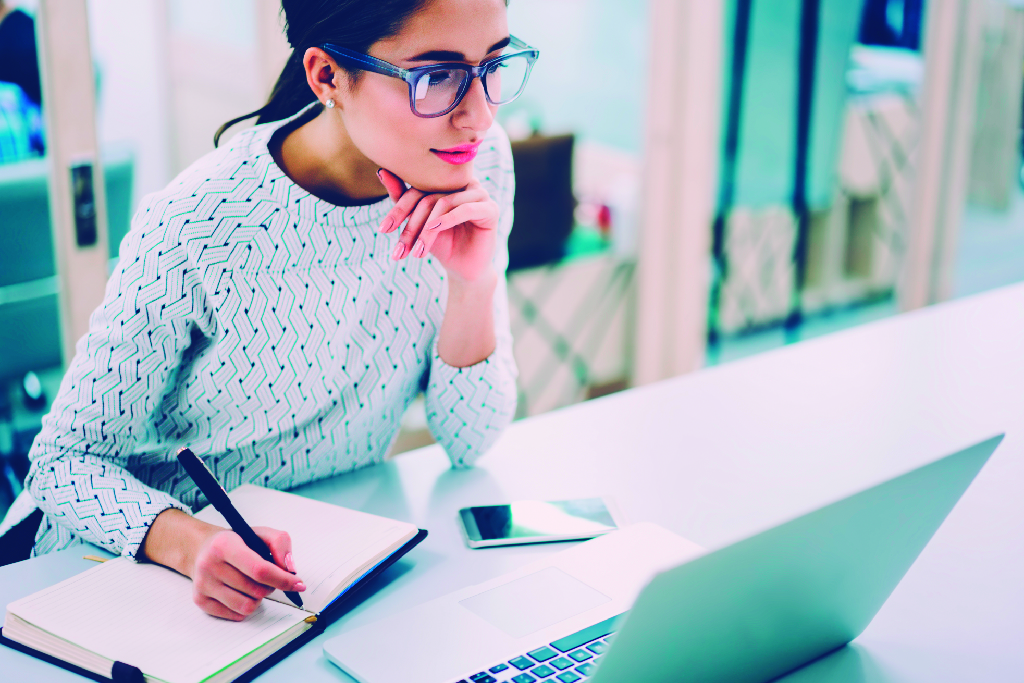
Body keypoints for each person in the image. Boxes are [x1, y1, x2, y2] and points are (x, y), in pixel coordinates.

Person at [0, 0, 534, 622]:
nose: (478, 114)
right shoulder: (201, 223)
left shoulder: (478, 163)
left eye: (493, 65)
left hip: (317, 569)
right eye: (435, 76)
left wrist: (474, 283)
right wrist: (187, 543)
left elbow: (471, 440)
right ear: (327, 76)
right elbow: (64, 464)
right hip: (122, 570)